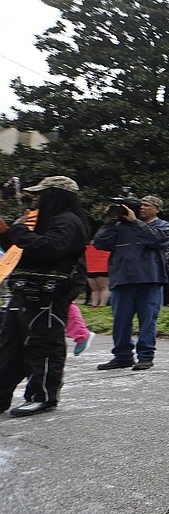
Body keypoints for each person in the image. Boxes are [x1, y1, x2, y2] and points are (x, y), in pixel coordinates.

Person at [0, 177, 89, 416]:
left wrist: (19, 231)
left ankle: (43, 396)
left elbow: (49, 248)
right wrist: (6, 233)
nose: (36, 198)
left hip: (48, 295)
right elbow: (21, 249)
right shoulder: (42, 220)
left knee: (44, 345)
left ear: (55, 195)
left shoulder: (68, 221)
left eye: (41, 194)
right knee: (9, 346)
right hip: (25, 290)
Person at [94, 195, 169, 372]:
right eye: (140, 205)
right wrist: (111, 220)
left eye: (146, 205)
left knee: (147, 321)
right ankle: (122, 356)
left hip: (149, 279)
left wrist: (135, 222)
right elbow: (100, 243)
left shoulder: (162, 225)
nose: (142, 208)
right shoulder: (119, 226)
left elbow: (158, 240)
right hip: (122, 279)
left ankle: (145, 356)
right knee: (120, 321)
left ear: (157, 209)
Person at [84, 242, 110, 307]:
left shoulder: (87, 245)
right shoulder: (105, 245)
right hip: (98, 267)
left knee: (97, 289)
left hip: (92, 267)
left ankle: (97, 304)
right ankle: (99, 304)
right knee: (102, 288)